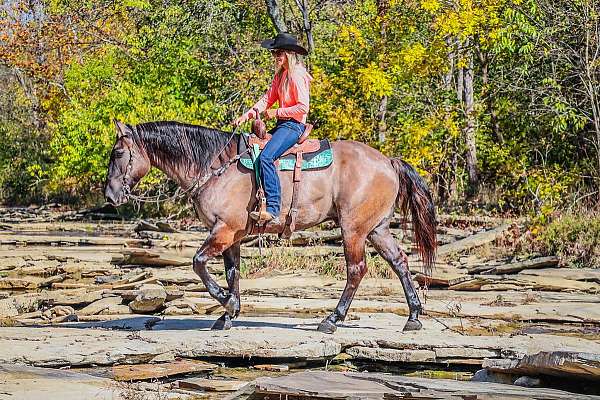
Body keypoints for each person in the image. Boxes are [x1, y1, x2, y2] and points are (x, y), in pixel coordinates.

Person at [233, 32, 313, 223]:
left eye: (279, 53)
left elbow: (303, 107)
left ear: (289, 54)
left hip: (294, 126)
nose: (275, 57)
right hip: (283, 124)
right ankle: (258, 200)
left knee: (266, 157)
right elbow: (266, 100)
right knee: (253, 150)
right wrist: (246, 115)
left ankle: (274, 209)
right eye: (274, 53)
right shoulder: (281, 76)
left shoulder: (297, 75)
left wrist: (277, 112)